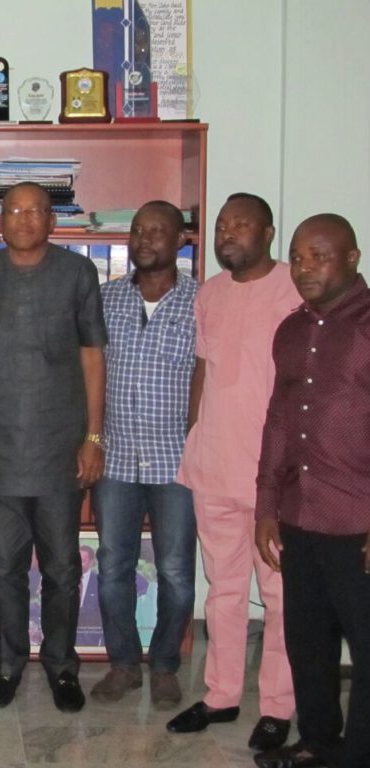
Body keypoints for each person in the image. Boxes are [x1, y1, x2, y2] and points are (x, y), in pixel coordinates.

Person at [0, 181, 107, 711]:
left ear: (51, 220)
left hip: (60, 448)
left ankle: (63, 667)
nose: (23, 220)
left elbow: (93, 357)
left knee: (63, 566)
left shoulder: (77, 274)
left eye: (35, 211)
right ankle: (8, 664)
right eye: (13, 210)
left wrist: (93, 437)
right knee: (3, 564)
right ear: (0, 219)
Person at [169, 193, 298, 752]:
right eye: (222, 225)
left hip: (277, 477)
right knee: (222, 590)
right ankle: (221, 696)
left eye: (241, 224)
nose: (228, 233)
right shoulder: (210, 294)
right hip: (215, 466)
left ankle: (277, 707)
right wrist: (195, 431)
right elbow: (203, 367)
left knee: (280, 597)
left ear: (268, 232)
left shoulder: (297, 286)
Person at [253, 214, 369, 768]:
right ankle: (320, 743)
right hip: (301, 516)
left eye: (319, 255)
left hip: (358, 522)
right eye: (297, 256)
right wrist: (266, 507)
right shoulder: (292, 330)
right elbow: (278, 421)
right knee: (308, 644)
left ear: (352, 257)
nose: (304, 267)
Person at [90, 201, 197, 711]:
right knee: (113, 565)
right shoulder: (104, 298)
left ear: (182, 240)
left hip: (178, 460)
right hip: (115, 458)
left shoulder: (202, 302)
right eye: (138, 230)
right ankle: (124, 665)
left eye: (159, 230)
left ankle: (167, 666)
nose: (146, 238)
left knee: (176, 569)